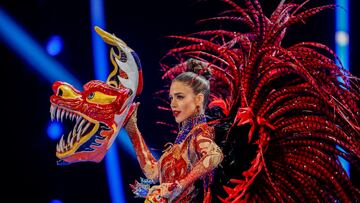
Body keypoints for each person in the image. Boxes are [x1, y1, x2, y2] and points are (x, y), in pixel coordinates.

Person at [125, 71, 223, 202]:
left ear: (199, 99)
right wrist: (132, 129)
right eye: (171, 98)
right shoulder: (179, 144)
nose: (173, 104)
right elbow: (152, 172)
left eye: (180, 97)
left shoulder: (200, 133)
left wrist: (181, 185)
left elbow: (215, 155)